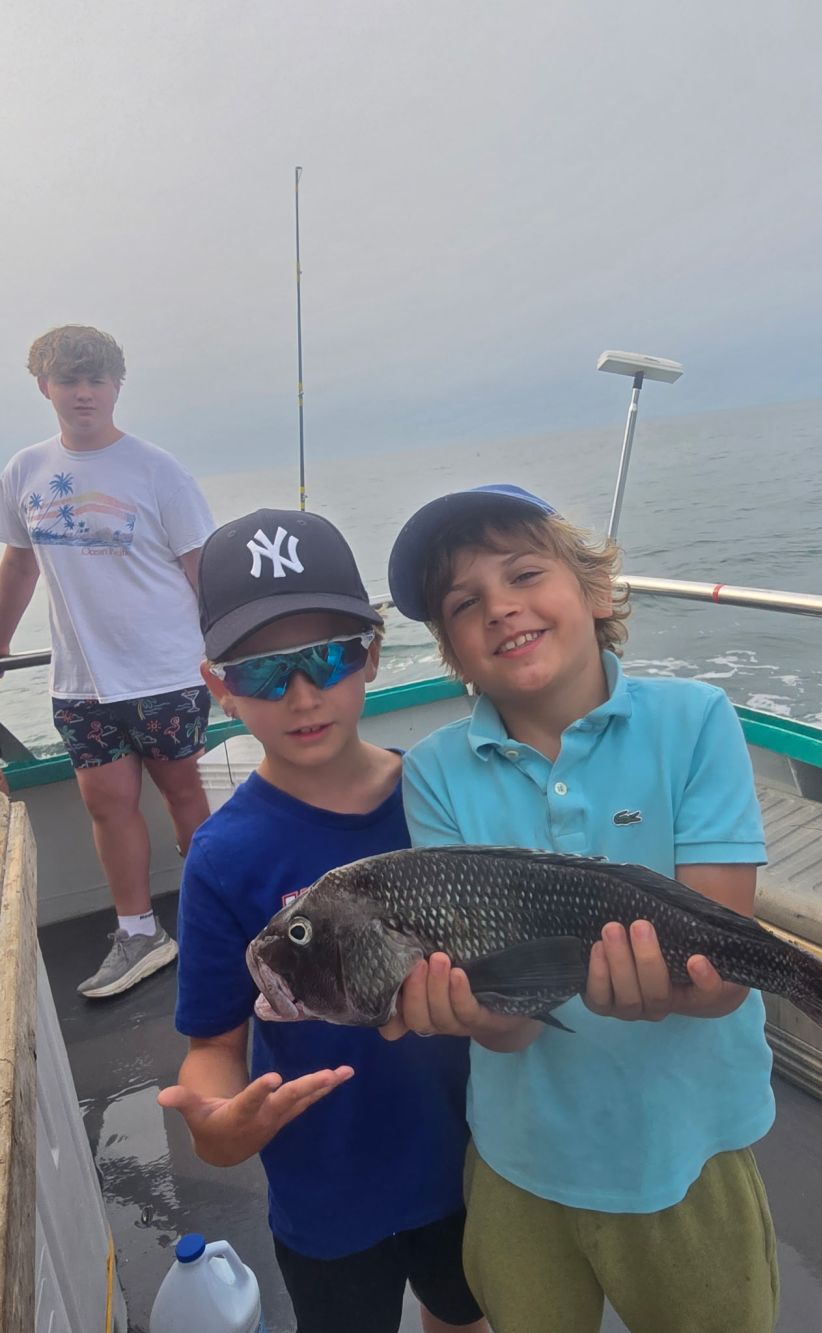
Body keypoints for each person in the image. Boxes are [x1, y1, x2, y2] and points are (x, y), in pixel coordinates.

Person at [383, 484, 779, 1333]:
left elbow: (726, 976)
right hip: (520, 1157)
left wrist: (678, 986)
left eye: (525, 573)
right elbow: (510, 1026)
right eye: (464, 603)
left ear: (595, 589)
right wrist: (474, 1012)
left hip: (688, 1150)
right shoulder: (433, 773)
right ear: (452, 650)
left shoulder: (696, 720)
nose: (501, 606)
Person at [157, 508, 485, 1333]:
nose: (303, 694)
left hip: (473, 1159)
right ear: (219, 685)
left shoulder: (444, 803)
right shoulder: (222, 856)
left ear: (372, 653)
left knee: (463, 1314)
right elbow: (213, 1047)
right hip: (325, 1193)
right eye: (264, 671)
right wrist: (219, 1125)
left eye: (330, 656)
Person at [0, 325, 214, 996]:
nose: (84, 393)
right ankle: (140, 932)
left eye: (96, 379)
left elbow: (201, 567)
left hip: (168, 672)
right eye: (69, 380)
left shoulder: (158, 470)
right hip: (80, 683)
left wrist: (229, 654)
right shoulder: (24, 471)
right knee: (108, 806)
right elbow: (20, 564)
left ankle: (220, 915)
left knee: (186, 795)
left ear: (118, 385)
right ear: (45, 387)